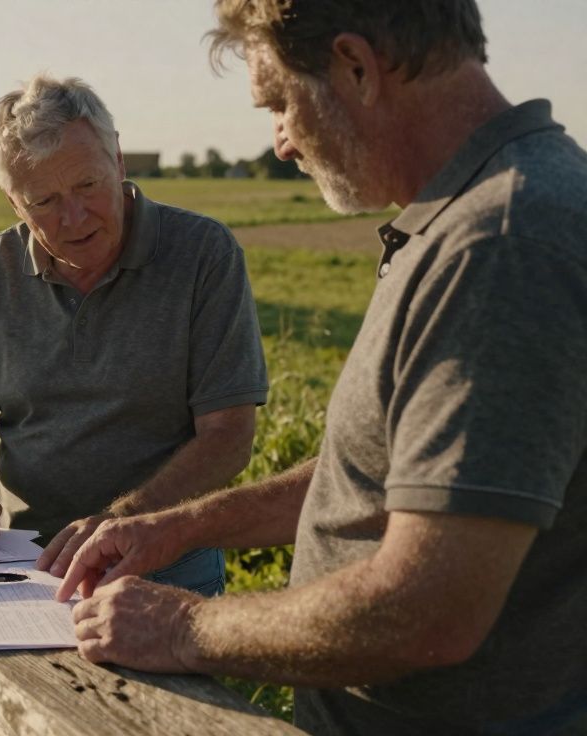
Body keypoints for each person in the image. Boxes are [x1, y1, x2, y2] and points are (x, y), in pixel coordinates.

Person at [55, 1, 587, 732]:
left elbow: (431, 611)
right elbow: (392, 479)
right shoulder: (478, 209)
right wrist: (176, 527)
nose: (279, 143)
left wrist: (183, 629)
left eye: (279, 102)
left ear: (357, 67)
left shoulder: (498, 245)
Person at [0, 74, 269, 598]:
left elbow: (228, 437)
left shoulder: (203, 254)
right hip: (22, 563)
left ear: (119, 161)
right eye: (43, 201)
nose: (74, 217)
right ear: (14, 204)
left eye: (88, 185)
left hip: (160, 563)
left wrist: (121, 521)